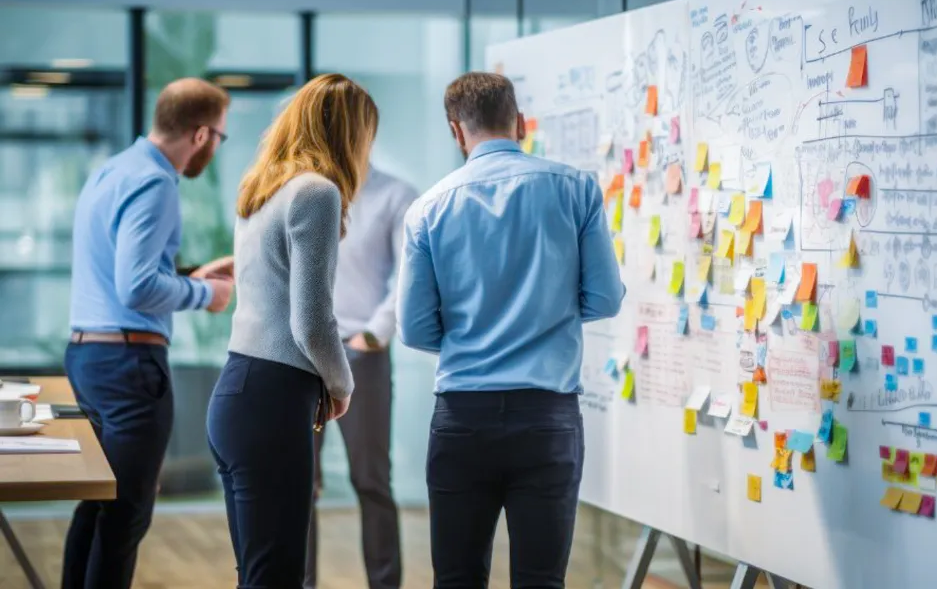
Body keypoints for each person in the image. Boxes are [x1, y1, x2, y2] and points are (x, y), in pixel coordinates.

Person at [396, 72, 625, 588]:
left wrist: (469, 336)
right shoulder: (576, 188)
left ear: (456, 131)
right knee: (542, 580)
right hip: (548, 418)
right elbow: (606, 298)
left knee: (456, 578)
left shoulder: (428, 208)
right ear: (519, 122)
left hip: (462, 417)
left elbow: (413, 328)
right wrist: (546, 317)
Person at [206, 73, 379, 588]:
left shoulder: (263, 188)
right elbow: (312, 320)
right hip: (274, 401)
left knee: (258, 574)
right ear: (349, 134)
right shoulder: (317, 193)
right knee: (277, 576)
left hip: (236, 392)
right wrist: (342, 385)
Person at [64, 77, 234, 589]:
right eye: (221, 137)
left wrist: (187, 277)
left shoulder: (112, 170)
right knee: (126, 515)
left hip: (89, 358)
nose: (217, 147)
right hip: (129, 367)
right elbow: (136, 287)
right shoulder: (157, 183)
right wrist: (209, 295)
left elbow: (125, 272)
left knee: (98, 506)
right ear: (201, 135)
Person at [305, 166, 417, 589]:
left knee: (371, 481)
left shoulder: (396, 194)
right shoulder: (305, 191)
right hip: (303, 352)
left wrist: (376, 332)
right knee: (301, 484)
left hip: (361, 352)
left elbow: (410, 271)